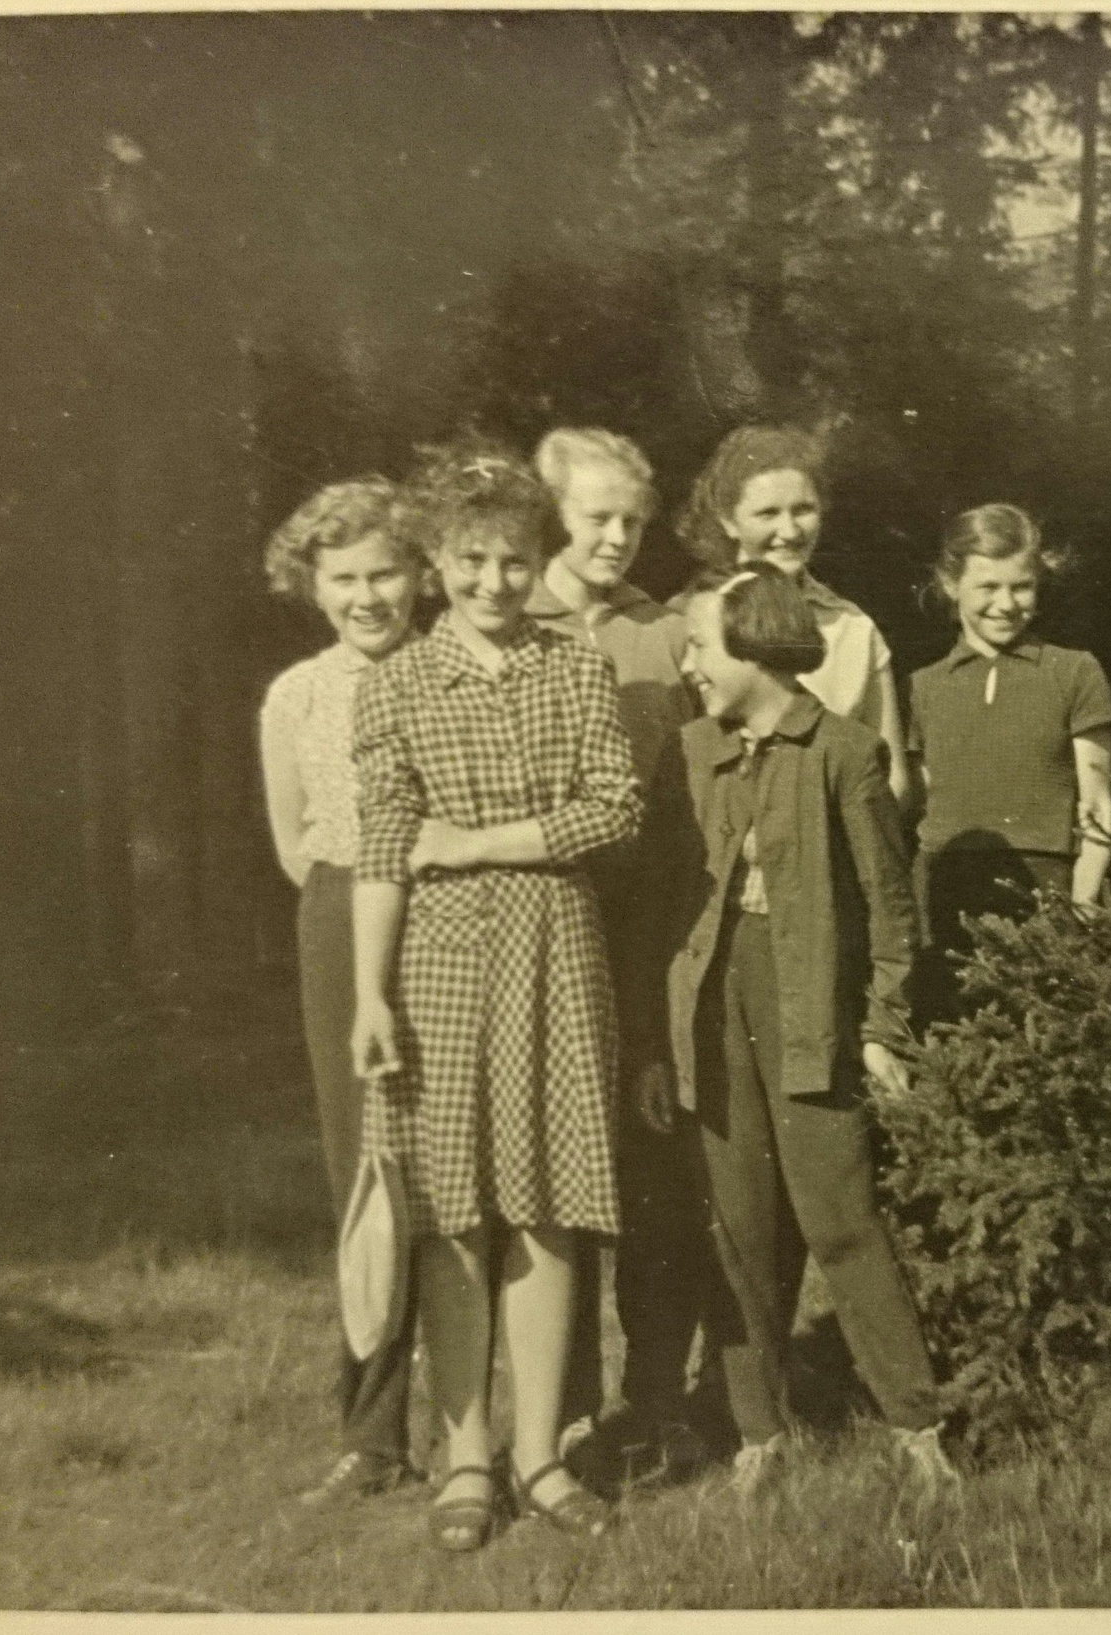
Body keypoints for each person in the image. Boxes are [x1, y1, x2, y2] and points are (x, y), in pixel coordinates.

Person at [350, 444, 640, 1549]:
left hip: (556, 950)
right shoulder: (395, 684)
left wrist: (473, 843)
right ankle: (468, 1454)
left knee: (549, 1203)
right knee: (453, 1210)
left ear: (538, 557)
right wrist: (369, 994)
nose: (493, 582)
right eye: (470, 561)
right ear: (436, 562)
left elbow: (612, 808)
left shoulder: (577, 668)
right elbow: (385, 848)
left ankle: (542, 1455)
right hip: (435, 964)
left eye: (515, 560)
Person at [664, 562, 958, 1500]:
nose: (689, 663)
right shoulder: (693, 751)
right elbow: (667, 907)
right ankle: (760, 1431)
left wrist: (881, 1027)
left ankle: (916, 1425)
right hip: (714, 1007)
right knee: (738, 1225)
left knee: (840, 1219)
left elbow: (891, 909)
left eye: (701, 645)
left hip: (809, 1005)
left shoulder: (845, 752)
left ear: (756, 646)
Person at [526, 426, 714, 1477]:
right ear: (554, 514)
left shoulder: (664, 629)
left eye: (634, 522)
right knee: (551, 1171)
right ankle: (561, 1410)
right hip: (546, 906)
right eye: (597, 517)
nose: (617, 538)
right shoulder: (514, 614)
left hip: (646, 917)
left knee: (654, 1168)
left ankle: (656, 1399)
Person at [257, 476, 429, 1508]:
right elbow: (295, 845)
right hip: (336, 916)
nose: (368, 597)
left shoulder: (450, 670)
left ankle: (488, 1427)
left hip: (448, 913)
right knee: (364, 1173)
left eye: (385, 573)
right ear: (313, 586)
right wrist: (356, 920)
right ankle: (373, 1435)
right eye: (345, 579)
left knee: (456, 1172)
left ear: (419, 575)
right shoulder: (295, 695)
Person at [905, 503, 1111, 1020]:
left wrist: (1078, 912)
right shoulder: (923, 686)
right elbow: (921, 807)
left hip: (1045, 894)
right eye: (988, 587)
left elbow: (1099, 809)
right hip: (946, 898)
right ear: (951, 584)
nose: (1006, 604)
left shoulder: (1074, 673)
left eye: (1021, 587)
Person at [675, 425, 915, 810]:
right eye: (767, 513)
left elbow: (893, 780)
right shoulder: (684, 622)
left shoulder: (853, 628)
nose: (789, 531)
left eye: (803, 510)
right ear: (728, 520)